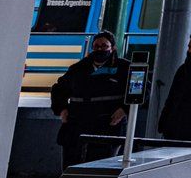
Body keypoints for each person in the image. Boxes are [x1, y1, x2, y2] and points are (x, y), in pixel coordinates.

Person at [50, 31, 131, 170]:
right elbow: (59, 89)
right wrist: (61, 109)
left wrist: (124, 109)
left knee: (100, 169)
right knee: (72, 169)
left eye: (104, 46)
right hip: (76, 128)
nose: (100, 49)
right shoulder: (78, 68)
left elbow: (141, 90)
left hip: (108, 127)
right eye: (96, 46)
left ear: (113, 48)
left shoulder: (124, 67)